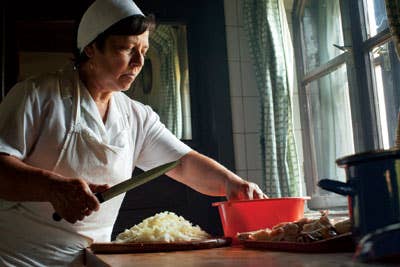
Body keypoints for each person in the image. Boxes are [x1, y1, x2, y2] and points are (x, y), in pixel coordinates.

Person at [0, 0, 266, 265]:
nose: (139, 62)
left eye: (144, 50)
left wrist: (231, 183)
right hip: (22, 258)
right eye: (127, 49)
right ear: (91, 48)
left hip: (93, 258)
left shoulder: (135, 116)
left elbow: (183, 163)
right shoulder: (36, 96)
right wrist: (51, 187)